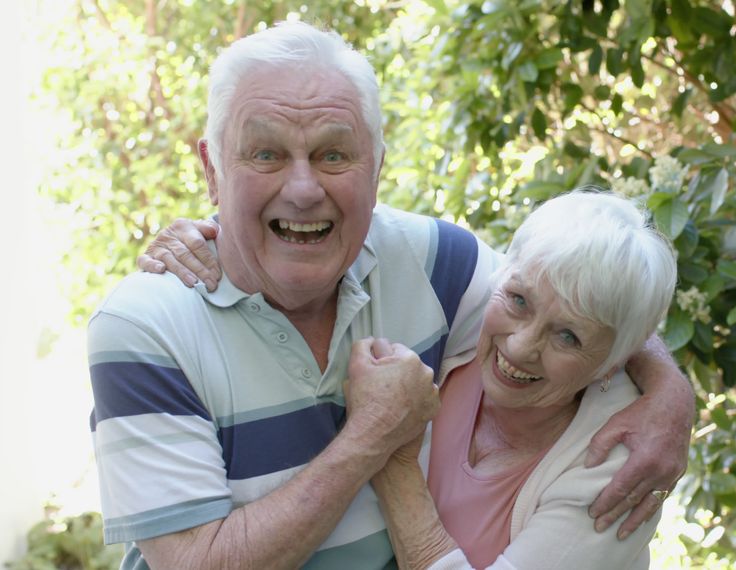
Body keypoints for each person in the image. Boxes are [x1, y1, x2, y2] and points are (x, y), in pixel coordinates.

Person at [92, 21, 692, 570]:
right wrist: (375, 435)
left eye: (333, 154)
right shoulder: (144, 329)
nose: (302, 189)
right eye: (266, 153)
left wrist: (671, 391)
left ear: (376, 168)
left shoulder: (436, 264)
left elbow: (581, 304)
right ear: (212, 170)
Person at [371, 190, 678, 569]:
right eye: (519, 301)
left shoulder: (616, 470)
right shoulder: (457, 323)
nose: (519, 347)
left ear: (613, 363)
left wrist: (391, 457)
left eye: (568, 336)